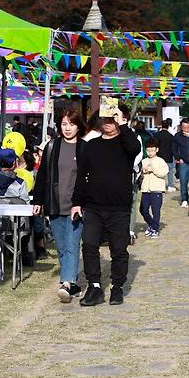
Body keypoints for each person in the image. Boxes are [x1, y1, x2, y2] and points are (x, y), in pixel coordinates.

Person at [72, 103, 141, 306]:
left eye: (113, 119)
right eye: (106, 119)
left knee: (118, 249)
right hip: (93, 206)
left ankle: (117, 286)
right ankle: (94, 286)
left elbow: (135, 148)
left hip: (118, 207)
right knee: (90, 245)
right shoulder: (92, 145)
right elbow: (81, 176)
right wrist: (77, 202)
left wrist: (122, 123)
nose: (109, 123)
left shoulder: (126, 142)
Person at [33, 109, 87, 302]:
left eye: (71, 124)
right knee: (62, 247)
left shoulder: (84, 148)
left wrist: (82, 202)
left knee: (72, 244)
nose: (68, 128)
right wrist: (37, 201)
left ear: (78, 126)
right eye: (64, 124)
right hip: (54, 204)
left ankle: (66, 282)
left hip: (77, 206)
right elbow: (42, 176)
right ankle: (72, 285)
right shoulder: (52, 146)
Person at [140, 138, 169, 239]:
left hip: (156, 189)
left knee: (156, 211)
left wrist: (153, 170)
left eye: (152, 150)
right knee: (143, 210)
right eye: (148, 150)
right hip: (145, 190)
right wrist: (142, 172)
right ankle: (152, 224)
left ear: (157, 150)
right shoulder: (143, 161)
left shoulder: (160, 161)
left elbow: (164, 172)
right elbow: (139, 174)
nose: (150, 152)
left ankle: (155, 229)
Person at [173, 118, 189, 208]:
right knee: (183, 182)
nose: (185, 129)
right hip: (183, 162)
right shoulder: (177, 136)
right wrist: (178, 158)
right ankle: (184, 199)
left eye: (187, 127)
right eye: (183, 127)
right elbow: (174, 148)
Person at [155, 121, 176, 192]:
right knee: (170, 171)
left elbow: (155, 145)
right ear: (168, 126)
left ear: (161, 126)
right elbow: (173, 147)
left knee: (159, 172)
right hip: (169, 156)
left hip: (159, 156)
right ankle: (170, 186)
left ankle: (160, 186)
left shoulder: (157, 135)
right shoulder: (171, 136)